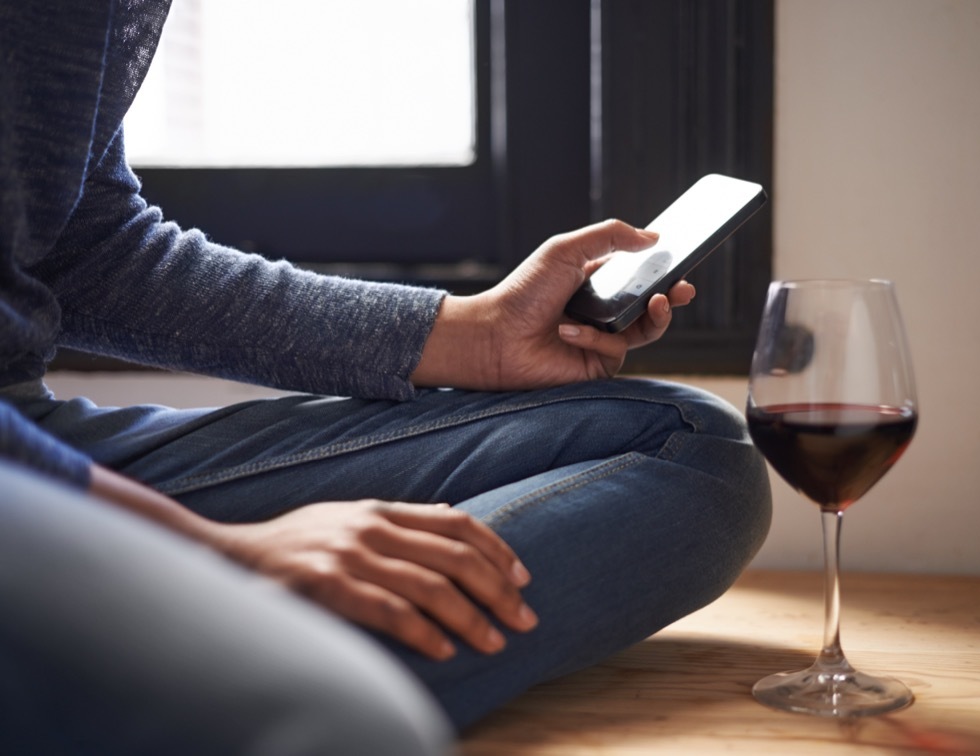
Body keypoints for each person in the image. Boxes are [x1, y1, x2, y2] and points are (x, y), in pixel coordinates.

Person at [0, 2, 772, 754]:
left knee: (686, 445)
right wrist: (219, 552)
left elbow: (78, 244)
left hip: (29, 435)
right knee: (331, 725)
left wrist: (470, 338)